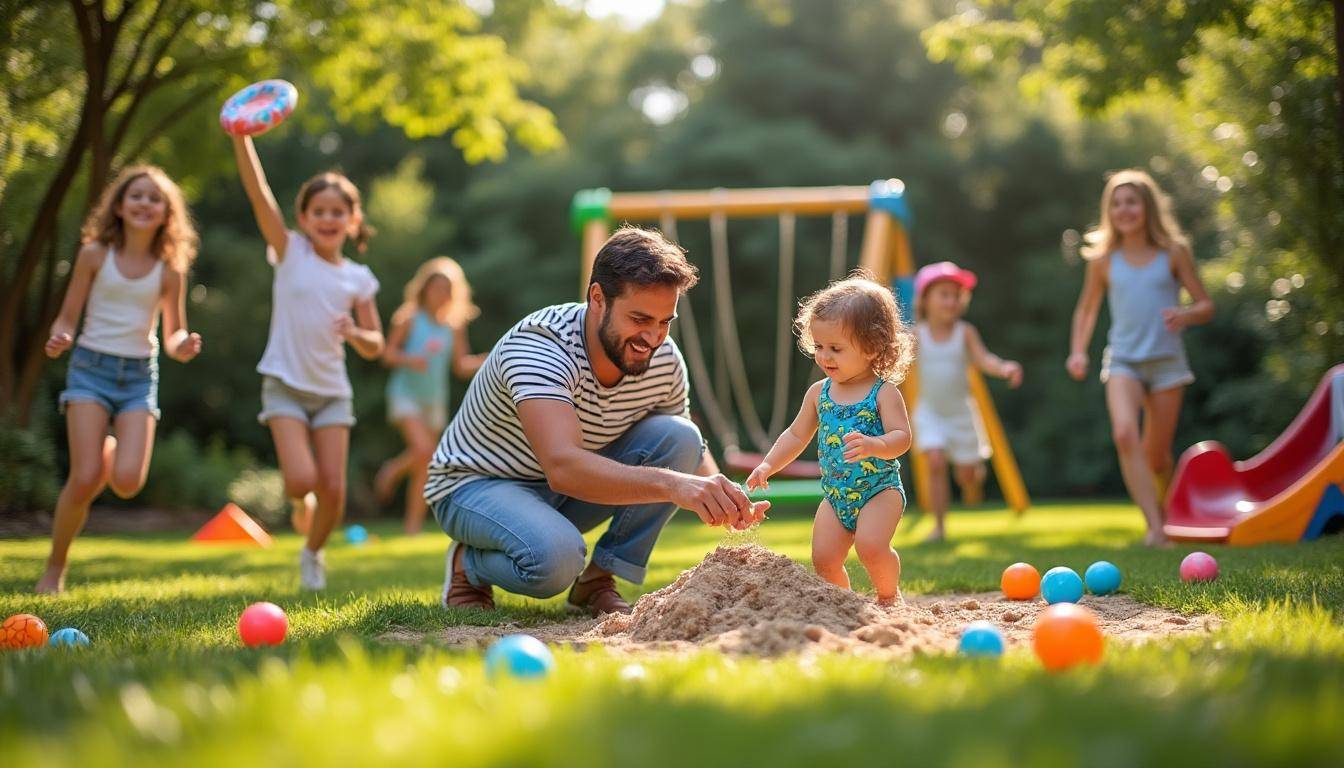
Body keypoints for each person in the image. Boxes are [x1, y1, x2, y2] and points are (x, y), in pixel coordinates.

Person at [426, 226, 769, 614]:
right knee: (556, 560)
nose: (653, 338)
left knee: (682, 436)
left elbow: (685, 448)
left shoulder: (663, 358)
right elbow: (563, 468)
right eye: (639, 318)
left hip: (564, 490)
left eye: (664, 322)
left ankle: (597, 580)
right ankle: (467, 566)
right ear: (597, 299)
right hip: (476, 485)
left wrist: (726, 497)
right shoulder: (541, 347)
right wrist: (674, 485)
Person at [36, 166, 203, 594]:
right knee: (85, 477)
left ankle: (107, 449)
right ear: (119, 205)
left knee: (127, 482)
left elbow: (174, 332)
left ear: (167, 213)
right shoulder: (94, 254)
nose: (145, 203)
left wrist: (183, 345)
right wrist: (60, 337)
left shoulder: (169, 269)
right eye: (137, 196)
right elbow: (67, 317)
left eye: (154, 198)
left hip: (138, 376)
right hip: (90, 370)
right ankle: (55, 568)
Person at [231, 134, 384, 589]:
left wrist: (355, 334)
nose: (328, 219)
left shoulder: (359, 278)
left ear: (353, 221)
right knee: (301, 482)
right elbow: (258, 193)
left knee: (333, 490)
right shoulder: (290, 252)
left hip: (332, 391)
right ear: (303, 218)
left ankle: (312, 553)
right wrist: (242, 137)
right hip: (285, 383)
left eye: (338, 212)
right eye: (319, 211)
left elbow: (376, 343)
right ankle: (301, 503)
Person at [747, 273, 914, 604]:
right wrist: (768, 465)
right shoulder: (818, 393)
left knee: (871, 547)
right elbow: (796, 435)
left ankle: (888, 597)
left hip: (879, 491)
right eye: (819, 347)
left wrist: (875, 445)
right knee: (824, 558)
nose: (824, 357)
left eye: (836, 349)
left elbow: (902, 437)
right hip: (836, 496)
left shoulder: (883, 393)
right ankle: (843, 605)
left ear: (872, 347)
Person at [1067, 169, 1213, 546]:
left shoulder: (1174, 252)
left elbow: (1205, 305)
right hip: (1124, 361)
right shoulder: (1103, 260)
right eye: (1116, 204)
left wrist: (1187, 314)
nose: (1124, 210)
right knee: (1124, 433)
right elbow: (1087, 309)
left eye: (1131, 202)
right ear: (1108, 212)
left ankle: (1169, 512)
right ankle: (1155, 528)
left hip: (1167, 363)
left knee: (1157, 457)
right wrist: (1078, 351)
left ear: (1147, 207)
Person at [911, 261, 1022, 541]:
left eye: (956, 296)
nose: (951, 301)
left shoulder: (965, 332)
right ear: (925, 300)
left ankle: (974, 472)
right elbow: (896, 360)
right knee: (935, 461)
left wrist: (1003, 368)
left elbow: (984, 360)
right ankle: (939, 526)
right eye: (944, 295)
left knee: (967, 477)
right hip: (930, 412)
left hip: (962, 415)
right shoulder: (917, 335)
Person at [375, 257, 486, 535]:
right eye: (436, 287)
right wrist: (409, 359)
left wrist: (487, 360)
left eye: (447, 289)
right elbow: (387, 354)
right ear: (424, 289)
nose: (441, 294)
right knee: (424, 450)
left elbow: (460, 365)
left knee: (425, 464)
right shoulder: (409, 318)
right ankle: (392, 470)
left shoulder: (453, 325)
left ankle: (412, 528)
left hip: (434, 399)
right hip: (405, 394)